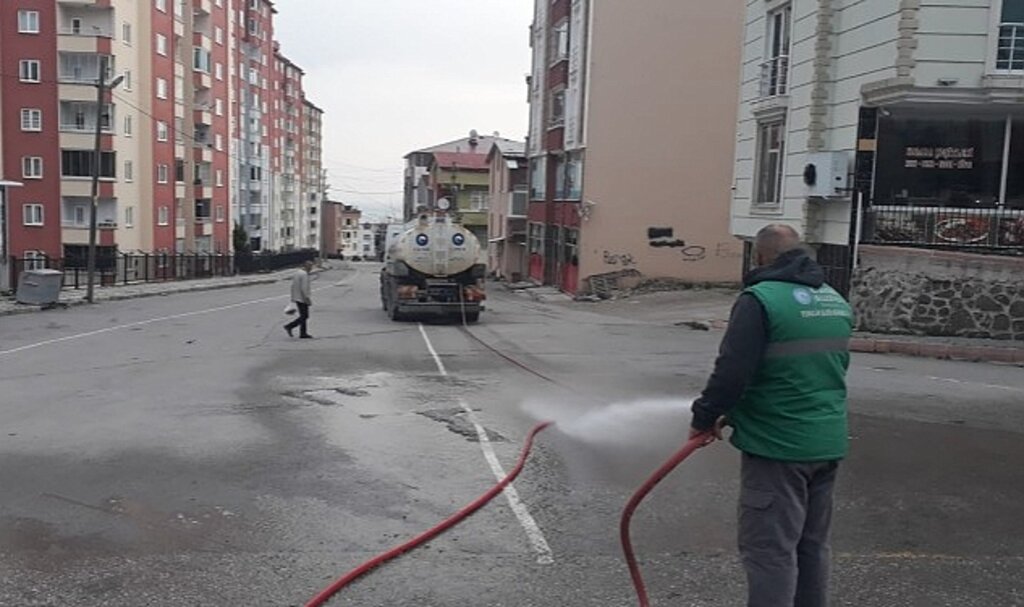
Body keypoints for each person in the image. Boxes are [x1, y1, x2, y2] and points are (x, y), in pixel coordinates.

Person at [689, 224, 853, 607]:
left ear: (760, 256)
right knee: (811, 548)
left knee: (769, 551)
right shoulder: (833, 299)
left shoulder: (760, 299)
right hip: (826, 443)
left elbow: (732, 371)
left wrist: (704, 417)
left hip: (778, 448)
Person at [284, 260, 314, 339]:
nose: (311, 268)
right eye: (310, 266)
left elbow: (293, 286)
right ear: (306, 266)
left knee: (303, 316)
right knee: (305, 316)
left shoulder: (297, 273)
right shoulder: (304, 275)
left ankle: (303, 333)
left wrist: (293, 297)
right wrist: (307, 299)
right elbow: (304, 288)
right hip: (302, 298)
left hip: (297, 297)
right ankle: (290, 326)